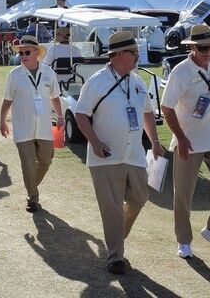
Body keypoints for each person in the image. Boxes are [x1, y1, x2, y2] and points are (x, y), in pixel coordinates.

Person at [74, 31, 164, 275]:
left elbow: (147, 112)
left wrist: (154, 141)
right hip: (106, 156)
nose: (137, 56)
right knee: (112, 208)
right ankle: (115, 256)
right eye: (133, 52)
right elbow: (80, 114)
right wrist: (94, 141)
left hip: (134, 153)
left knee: (139, 197)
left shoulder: (137, 81)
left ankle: (115, 238)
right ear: (119, 55)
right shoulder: (97, 81)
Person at [160, 24, 210, 259]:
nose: (208, 51)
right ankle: (184, 241)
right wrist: (181, 137)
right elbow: (166, 107)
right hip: (190, 141)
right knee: (183, 194)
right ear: (192, 47)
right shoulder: (180, 71)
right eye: (203, 47)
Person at [0, 35, 65, 213]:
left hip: (44, 127)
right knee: (28, 164)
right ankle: (33, 198)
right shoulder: (14, 75)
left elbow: (55, 97)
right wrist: (2, 121)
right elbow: (7, 101)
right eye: (21, 53)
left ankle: (30, 185)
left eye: (27, 52)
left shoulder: (48, 72)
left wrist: (60, 116)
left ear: (37, 53)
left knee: (46, 161)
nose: (23, 56)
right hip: (23, 127)